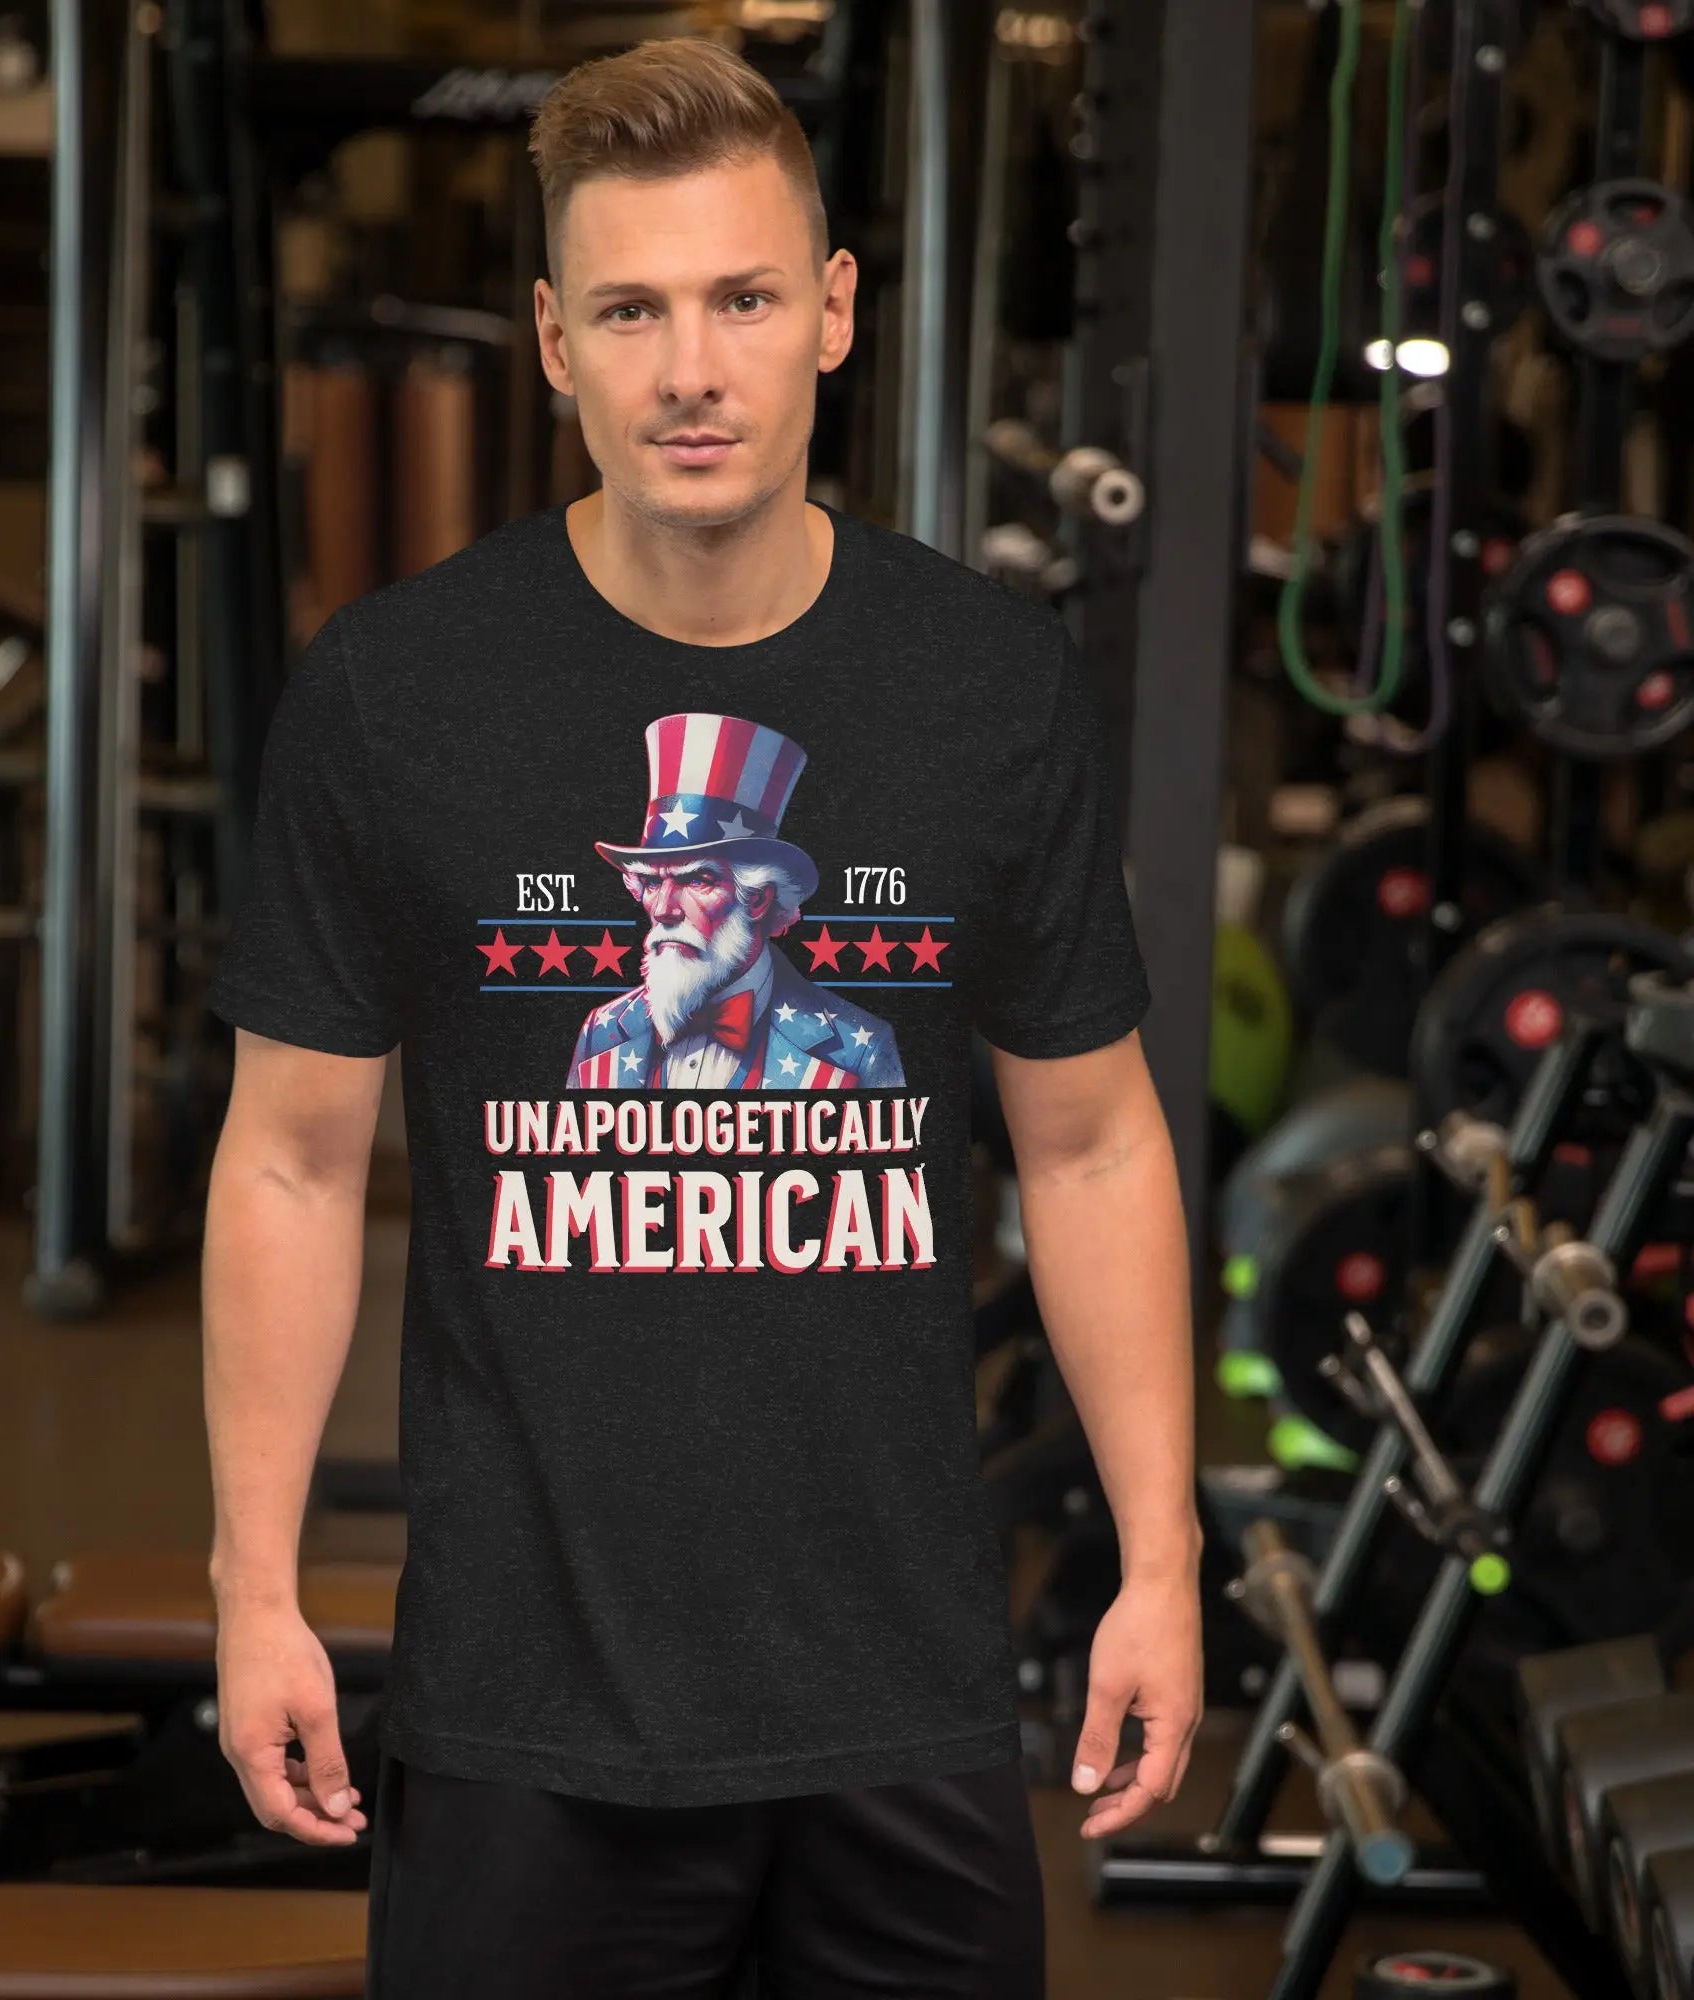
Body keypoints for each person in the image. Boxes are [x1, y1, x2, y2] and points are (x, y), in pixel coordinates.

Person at [202, 33, 1199, 2000]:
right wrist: (254, 1587)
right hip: (526, 1705)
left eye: (742, 297)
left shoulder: (987, 692)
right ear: (554, 340)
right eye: (634, 310)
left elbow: (1092, 1138)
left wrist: (1157, 1566)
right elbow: (293, 1160)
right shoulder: (398, 697)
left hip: (900, 1694)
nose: (690, 369)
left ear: (830, 315)